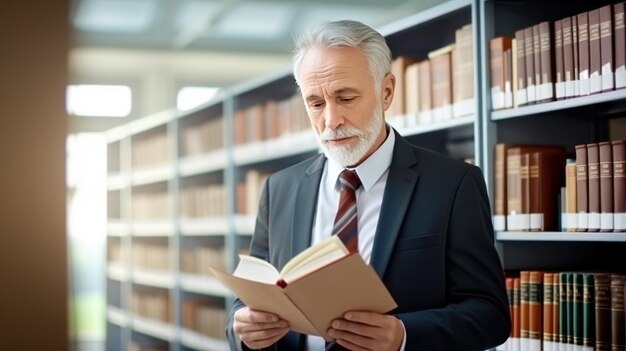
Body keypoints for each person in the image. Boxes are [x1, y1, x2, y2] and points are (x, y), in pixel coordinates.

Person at [226, 19, 510, 350]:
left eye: (346, 98)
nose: (330, 121)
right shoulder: (280, 189)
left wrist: (404, 335)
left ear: (386, 91)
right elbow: (247, 300)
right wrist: (243, 328)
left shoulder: (454, 184)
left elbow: (490, 316)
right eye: (315, 103)